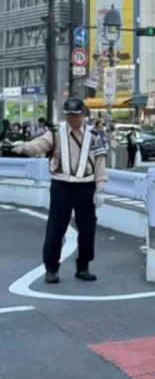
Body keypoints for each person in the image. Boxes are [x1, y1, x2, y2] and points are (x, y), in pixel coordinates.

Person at [10, 97, 107, 283]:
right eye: (69, 115)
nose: (72, 119)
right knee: (56, 227)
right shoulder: (56, 133)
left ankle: (83, 267)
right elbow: (38, 145)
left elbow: (100, 163)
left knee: (87, 229)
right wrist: (23, 147)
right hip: (61, 185)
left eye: (75, 115)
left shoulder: (94, 136)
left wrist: (100, 188)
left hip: (85, 185)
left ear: (83, 114)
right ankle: (51, 269)